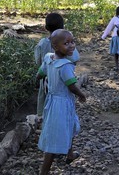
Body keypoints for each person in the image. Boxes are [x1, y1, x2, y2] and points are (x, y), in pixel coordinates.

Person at [37, 29, 86, 175]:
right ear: (56, 46)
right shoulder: (65, 66)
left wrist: (36, 80)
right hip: (61, 104)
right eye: (66, 43)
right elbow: (71, 86)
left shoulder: (48, 58)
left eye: (72, 42)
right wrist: (81, 95)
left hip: (54, 101)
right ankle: (44, 170)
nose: (71, 45)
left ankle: (70, 154)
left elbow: (40, 73)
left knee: (69, 125)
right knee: (55, 134)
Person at [34, 13, 80, 119]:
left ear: (46, 27)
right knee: (62, 104)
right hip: (62, 81)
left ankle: (46, 122)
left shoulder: (42, 44)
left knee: (46, 103)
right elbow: (74, 59)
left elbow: (38, 62)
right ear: (63, 26)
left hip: (46, 78)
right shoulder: (67, 43)